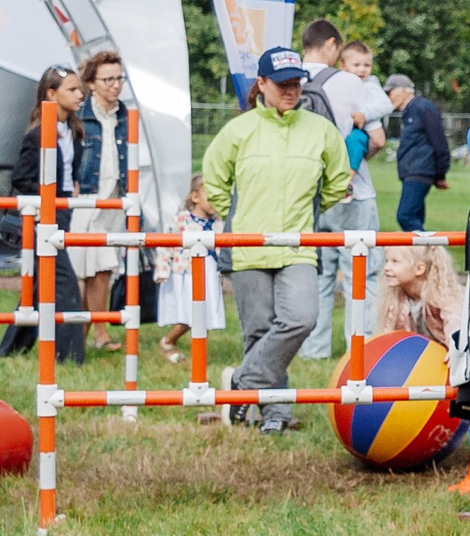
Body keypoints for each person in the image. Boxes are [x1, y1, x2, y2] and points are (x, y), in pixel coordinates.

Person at [201, 47, 354, 435]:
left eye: (295, 82)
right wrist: (234, 215)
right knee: (259, 331)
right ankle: (275, 414)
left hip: (297, 244)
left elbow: (338, 179)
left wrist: (313, 208)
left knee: (302, 318)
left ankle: (241, 385)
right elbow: (214, 179)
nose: (290, 89)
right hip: (247, 245)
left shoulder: (320, 129)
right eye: (282, 83)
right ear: (262, 84)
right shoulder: (238, 130)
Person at [294, 20, 377, 363]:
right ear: (331, 45)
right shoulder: (350, 82)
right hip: (353, 192)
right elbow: (378, 136)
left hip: (308, 194)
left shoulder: (286, 80)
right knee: (363, 272)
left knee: (320, 274)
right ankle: (364, 346)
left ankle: (314, 350)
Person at [0, 65, 87, 363]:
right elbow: (20, 178)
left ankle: (9, 351)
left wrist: (70, 186)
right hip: (41, 214)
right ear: (51, 94)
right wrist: (45, 198)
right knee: (64, 283)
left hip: (62, 211)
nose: (80, 95)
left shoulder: (72, 131)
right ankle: (70, 357)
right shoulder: (38, 134)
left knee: (40, 288)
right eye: (72, 90)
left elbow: (70, 168)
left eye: (80, 89)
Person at [70, 49, 141, 323]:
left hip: (116, 201)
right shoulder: (80, 115)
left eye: (118, 78)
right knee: (85, 269)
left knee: (104, 268)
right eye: (107, 79)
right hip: (86, 200)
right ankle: (88, 330)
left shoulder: (126, 115)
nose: (115, 85)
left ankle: (94, 331)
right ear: (91, 83)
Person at [154, 175, 224, 365]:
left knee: (205, 313)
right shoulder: (182, 220)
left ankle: (199, 354)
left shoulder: (218, 222)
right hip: (187, 272)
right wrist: (162, 269)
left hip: (208, 272)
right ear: (195, 197)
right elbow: (166, 244)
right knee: (188, 314)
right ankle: (168, 342)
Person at [383, 75, 451, 235]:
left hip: (420, 171)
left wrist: (441, 172)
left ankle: (432, 249)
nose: (388, 97)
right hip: (414, 171)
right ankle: (421, 255)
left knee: (405, 216)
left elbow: (439, 140)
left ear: (404, 90)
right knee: (414, 217)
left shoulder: (422, 107)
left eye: (390, 92)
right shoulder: (410, 112)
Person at [379, 243, 464, 349]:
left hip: (444, 353)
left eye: (395, 262)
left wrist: (455, 350)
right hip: (417, 356)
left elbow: (455, 324)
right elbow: (388, 334)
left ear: (419, 268)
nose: (386, 267)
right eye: (387, 261)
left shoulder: (441, 294)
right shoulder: (396, 296)